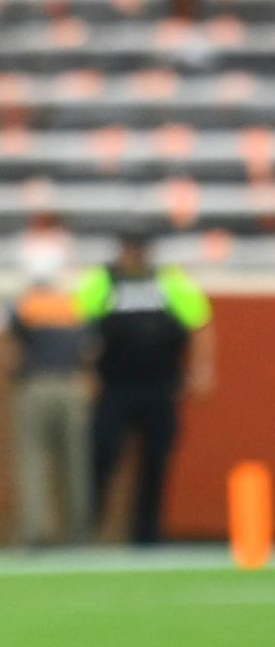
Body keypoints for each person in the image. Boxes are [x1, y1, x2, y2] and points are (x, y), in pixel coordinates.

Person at [77, 231, 215, 546]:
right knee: (102, 454)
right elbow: (79, 325)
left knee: (156, 461)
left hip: (160, 387)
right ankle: (91, 530)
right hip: (114, 388)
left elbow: (201, 321)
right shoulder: (103, 281)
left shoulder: (170, 281)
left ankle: (146, 535)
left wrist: (202, 370)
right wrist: (85, 373)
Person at [4, 250, 94, 549]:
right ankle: (78, 532)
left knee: (33, 459)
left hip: (36, 385)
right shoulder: (73, 305)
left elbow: (9, 350)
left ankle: (36, 531)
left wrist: (14, 374)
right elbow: (89, 349)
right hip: (72, 386)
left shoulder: (24, 306)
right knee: (75, 461)